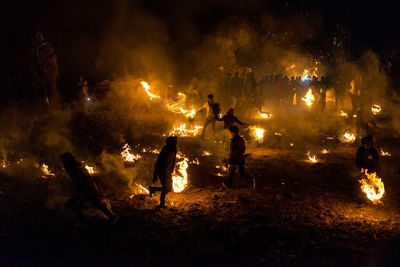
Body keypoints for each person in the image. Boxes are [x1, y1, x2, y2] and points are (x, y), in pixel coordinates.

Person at [61, 152, 118, 225]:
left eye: (63, 160)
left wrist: (83, 190)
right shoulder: (74, 166)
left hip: (87, 188)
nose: (63, 162)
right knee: (96, 204)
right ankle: (112, 217)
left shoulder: (75, 168)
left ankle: (81, 222)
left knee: (79, 205)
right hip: (87, 188)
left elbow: (82, 179)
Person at [149, 136, 178, 207]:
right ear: (169, 143)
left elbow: (173, 160)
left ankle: (153, 189)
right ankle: (162, 203)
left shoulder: (174, 149)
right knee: (166, 187)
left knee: (169, 189)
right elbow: (158, 162)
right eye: (174, 142)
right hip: (162, 171)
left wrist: (171, 170)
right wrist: (155, 174)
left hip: (168, 172)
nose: (175, 144)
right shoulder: (165, 151)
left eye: (175, 142)